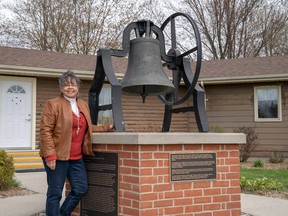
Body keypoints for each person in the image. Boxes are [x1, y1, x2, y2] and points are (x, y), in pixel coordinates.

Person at [39, 70, 112, 216]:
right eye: (66, 85)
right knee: (55, 193)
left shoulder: (83, 105)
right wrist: (50, 155)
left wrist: (106, 128)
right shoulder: (53, 104)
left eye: (73, 84)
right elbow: (45, 131)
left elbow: (88, 126)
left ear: (78, 87)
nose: (70, 87)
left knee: (80, 188)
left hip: (76, 157)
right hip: (57, 156)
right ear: (61, 88)